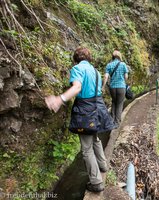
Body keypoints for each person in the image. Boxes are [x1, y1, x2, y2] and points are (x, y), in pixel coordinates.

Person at [45, 47, 115, 192]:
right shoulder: (95, 71)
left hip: (85, 110)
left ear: (75, 59)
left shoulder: (77, 69)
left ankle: (96, 182)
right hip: (98, 107)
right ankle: (103, 165)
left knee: (86, 148)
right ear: (89, 58)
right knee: (95, 137)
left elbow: (77, 88)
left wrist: (60, 99)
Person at [102, 50, 129, 126]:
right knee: (120, 104)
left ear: (113, 57)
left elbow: (106, 76)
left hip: (112, 87)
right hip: (121, 87)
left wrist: (103, 87)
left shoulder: (109, 65)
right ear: (119, 56)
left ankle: (111, 121)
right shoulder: (123, 64)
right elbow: (126, 77)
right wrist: (122, 79)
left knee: (114, 102)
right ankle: (117, 123)